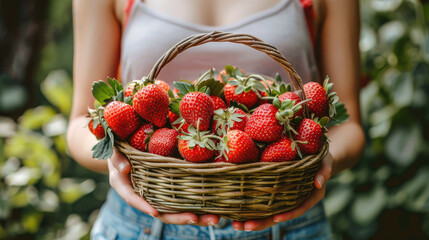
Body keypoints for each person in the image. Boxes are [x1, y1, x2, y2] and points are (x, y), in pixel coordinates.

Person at [67, 0, 365, 239]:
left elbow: (348, 124)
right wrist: (118, 161)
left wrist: (323, 163)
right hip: (143, 223)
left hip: (286, 218)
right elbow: (81, 120)